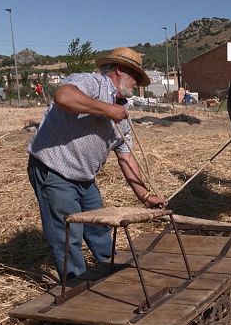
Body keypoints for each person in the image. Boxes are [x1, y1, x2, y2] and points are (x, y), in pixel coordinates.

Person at [27, 47, 165, 280]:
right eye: (135, 78)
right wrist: (107, 109)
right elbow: (63, 97)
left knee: (99, 228)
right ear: (119, 70)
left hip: (84, 177)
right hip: (55, 170)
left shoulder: (122, 109)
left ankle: (113, 278)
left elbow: (126, 156)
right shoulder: (91, 82)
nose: (137, 85)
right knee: (68, 235)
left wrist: (145, 196)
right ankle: (77, 290)